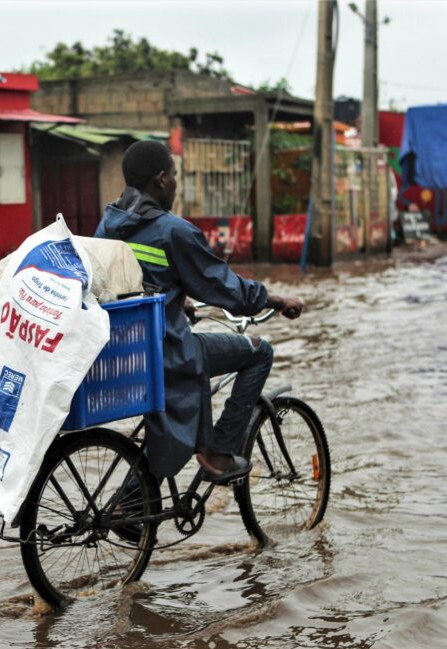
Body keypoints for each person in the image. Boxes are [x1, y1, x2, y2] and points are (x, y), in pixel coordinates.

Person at [95, 140, 304, 483]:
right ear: (161, 179)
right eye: (175, 175)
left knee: (165, 425)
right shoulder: (173, 231)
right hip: (167, 351)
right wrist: (275, 300)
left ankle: (131, 504)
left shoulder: (107, 226)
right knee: (260, 352)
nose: (176, 184)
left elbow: (130, 281)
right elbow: (225, 288)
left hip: (126, 351)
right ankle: (217, 451)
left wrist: (177, 298)